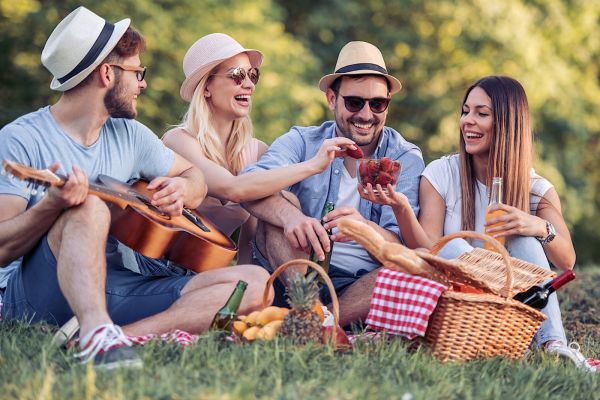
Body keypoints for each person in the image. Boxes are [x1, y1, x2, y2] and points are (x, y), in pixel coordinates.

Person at [0, 7, 271, 369]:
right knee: (88, 207)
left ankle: (116, 336)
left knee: (255, 282)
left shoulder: (130, 135)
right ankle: (98, 332)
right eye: (137, 72)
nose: (143, 83)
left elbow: (195, 176)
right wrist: (51, 207)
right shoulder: (21, 139)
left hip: (116, 285)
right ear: (107, 74)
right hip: (35, 294)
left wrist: (183, 189)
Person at [367, 75, 596, 371]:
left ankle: (553, 346)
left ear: (507, 123)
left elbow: (567, 261)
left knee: (525, 239)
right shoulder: (442, 174)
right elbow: (426, 249)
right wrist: (401, 208)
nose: (468, 121)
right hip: (460, 305)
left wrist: (537, 226)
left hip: (510, 304)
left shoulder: (536, 188)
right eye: (465, 111)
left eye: (481, 113)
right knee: (454, 246)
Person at [241, 41, 425, 326]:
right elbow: (246, 186)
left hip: (361, 286)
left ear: (388, 103)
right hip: (297, 275)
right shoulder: (303, 141)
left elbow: (403, 247)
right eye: (354, 102)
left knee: (414, 266)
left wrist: (365, 229)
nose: (366, 114)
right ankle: (311, 311)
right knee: (282, 204)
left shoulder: (404, 157)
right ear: (331, 99)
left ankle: (319, 323)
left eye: (377, 103)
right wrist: (292, 215)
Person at [162, 34, 355, 264]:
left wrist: (247, 287)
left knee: (285, 201)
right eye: (237, 75)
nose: (249, 84)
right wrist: (313, 165)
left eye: (253, 75)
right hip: (160, 266)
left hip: (210, 271)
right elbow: (232, 189)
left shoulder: (256, 152)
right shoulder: (178, 141)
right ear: (206, 88)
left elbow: (249, 242)